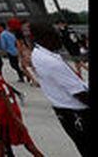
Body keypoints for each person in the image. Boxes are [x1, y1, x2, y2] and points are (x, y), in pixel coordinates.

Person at [29, 23, 90, 156]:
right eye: (56, 37)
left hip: (64, 111)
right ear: (45, 39)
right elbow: (80, 94)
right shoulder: (51, 62)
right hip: (77, 113)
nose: (60, 40)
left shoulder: (37, 54)